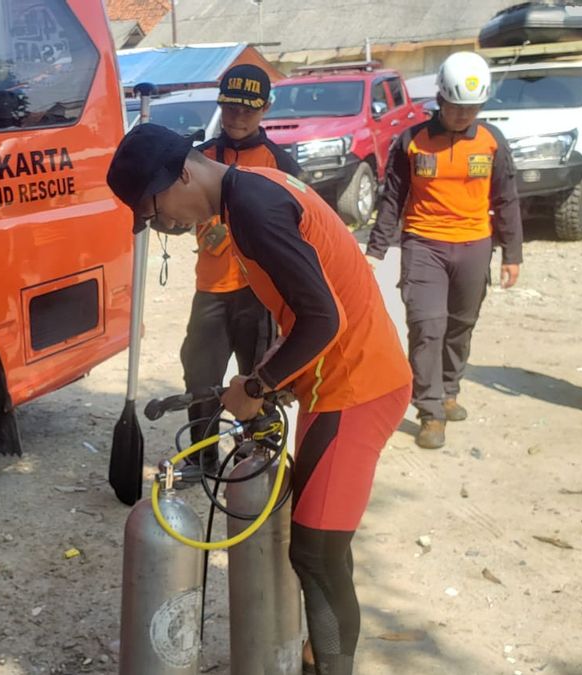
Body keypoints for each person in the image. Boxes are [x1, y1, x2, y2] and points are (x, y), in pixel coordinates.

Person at [107, 123, 412, 675]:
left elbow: (324, 317)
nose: (166, 228)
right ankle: (318, 656)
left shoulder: (253, 208)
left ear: (181, 173)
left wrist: (256, 385)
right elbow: (302, 303)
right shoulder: (249, 189)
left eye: (156, 212)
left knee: (317, 554)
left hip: (356, 385)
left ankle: (331, 666)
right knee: (319, 549)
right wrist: (276, 378)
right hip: (332, 382)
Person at [366, 51, 522, 449]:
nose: (463, 115)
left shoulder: (491, 141)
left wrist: (512, 253)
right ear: (440, 99)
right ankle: (430, 410)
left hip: (474, 245)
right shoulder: (413, 141)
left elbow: (506, 199)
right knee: (425, 326)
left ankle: (450, 389)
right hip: (424, 244)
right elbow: (392, 198)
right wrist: (377, 249)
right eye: (456, 107)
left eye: (472, 108)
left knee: (460, 325)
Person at [183, 64, 300, 470]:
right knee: (200, 376)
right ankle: (201, 458)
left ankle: (258, 455)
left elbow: (297, 227)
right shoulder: (200, 157)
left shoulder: (279, 162)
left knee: (258, 378)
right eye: (230, 107)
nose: (237, 117)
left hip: (259, 293)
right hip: (210, 288)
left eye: (247, 110)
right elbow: (181, 210)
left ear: (265, 109)